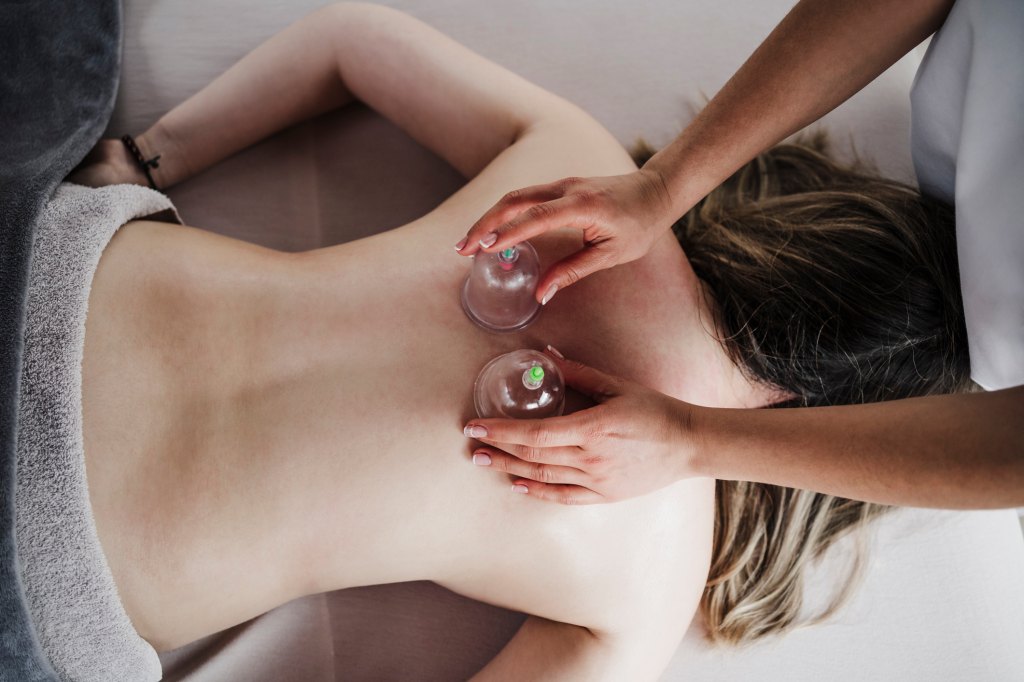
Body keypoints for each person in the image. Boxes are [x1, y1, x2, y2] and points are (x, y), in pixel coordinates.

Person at [52, 2, 967, 680]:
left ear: (802, 208)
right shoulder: (646, 583)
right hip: (63, 567)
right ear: (848, 466)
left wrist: (145, 157)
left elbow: (354, 39)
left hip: (64, 284)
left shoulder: (586, 184)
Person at [457, 0, 1024, 507]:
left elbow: (367, 37)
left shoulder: (571, 159)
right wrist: (688, 443)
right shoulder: (650, 547)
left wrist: (663, 185)